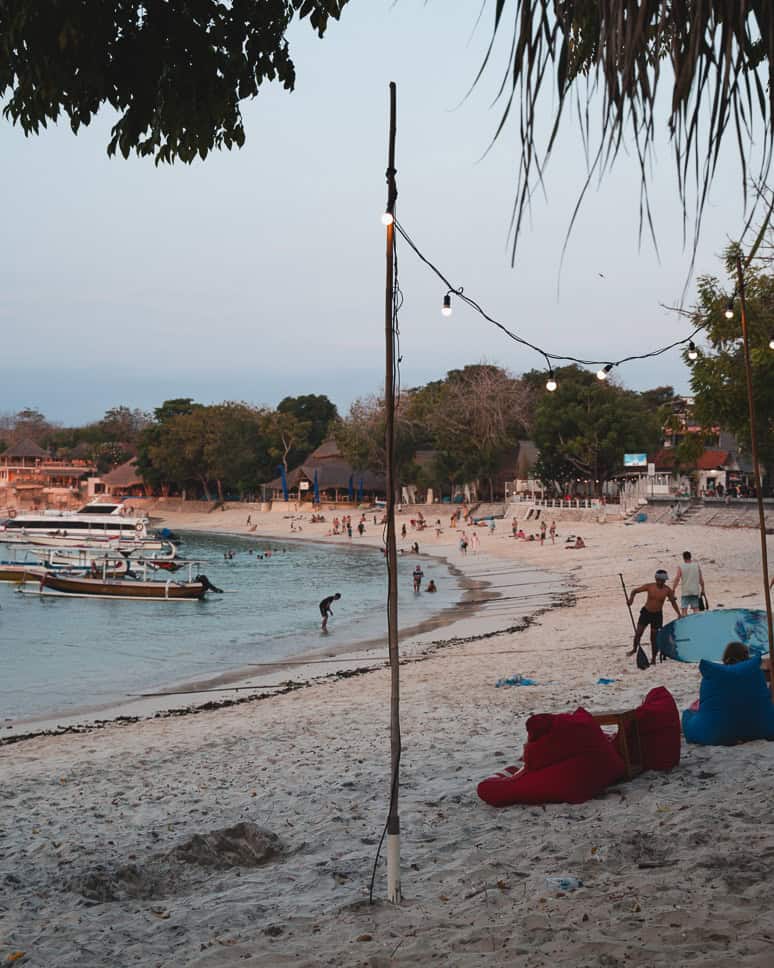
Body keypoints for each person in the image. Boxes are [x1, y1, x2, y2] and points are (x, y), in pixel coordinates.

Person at [627, 570, 681, 665]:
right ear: (656, 579)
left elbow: (673, 602)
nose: (661, 582)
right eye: (660, 580)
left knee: (654, 639)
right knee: (638, 633)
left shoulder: (667, 590)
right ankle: (634, 649)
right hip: (646, 613)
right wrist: (631, 600)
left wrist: (679, 613)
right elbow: (634, 591)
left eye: (663, 580)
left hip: (657, 615)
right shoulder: (649, 586)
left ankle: (653, 659)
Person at [672, 550, 705, 616]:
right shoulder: (696, 566)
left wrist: (673, 589)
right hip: (695, 591)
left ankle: (685, 624)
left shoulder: (681, 566)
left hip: (685, 591)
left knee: (684, 610)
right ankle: (696, 624)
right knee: (696, 610)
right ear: (690, 557)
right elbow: (701, 580)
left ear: (683, 558)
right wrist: (703, 590)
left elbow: (677, 579)